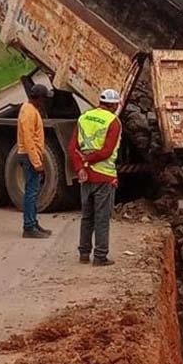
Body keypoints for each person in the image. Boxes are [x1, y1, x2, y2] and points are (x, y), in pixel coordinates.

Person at [69, 88, 122, 266]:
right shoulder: (113, 122)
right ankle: (100, 256)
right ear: (114, 105)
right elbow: (107, 151)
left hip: (85, 176)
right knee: (102, 218)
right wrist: (88, 158)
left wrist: (80, 167)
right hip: (104, 177)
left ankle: (84, 254)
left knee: (87, 216)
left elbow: (72, 148)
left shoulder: (83, 117)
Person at [17, 83, 54, 238]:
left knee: (33, 192)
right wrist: (37, 162)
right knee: (31, 193)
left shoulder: (31, 110)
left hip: (30, 155)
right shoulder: (28, 112)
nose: (45, 101)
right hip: (29, 156)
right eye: (44, 98)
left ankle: (33, 222)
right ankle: (29, 226)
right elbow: (28, 139)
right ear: (38, 98)